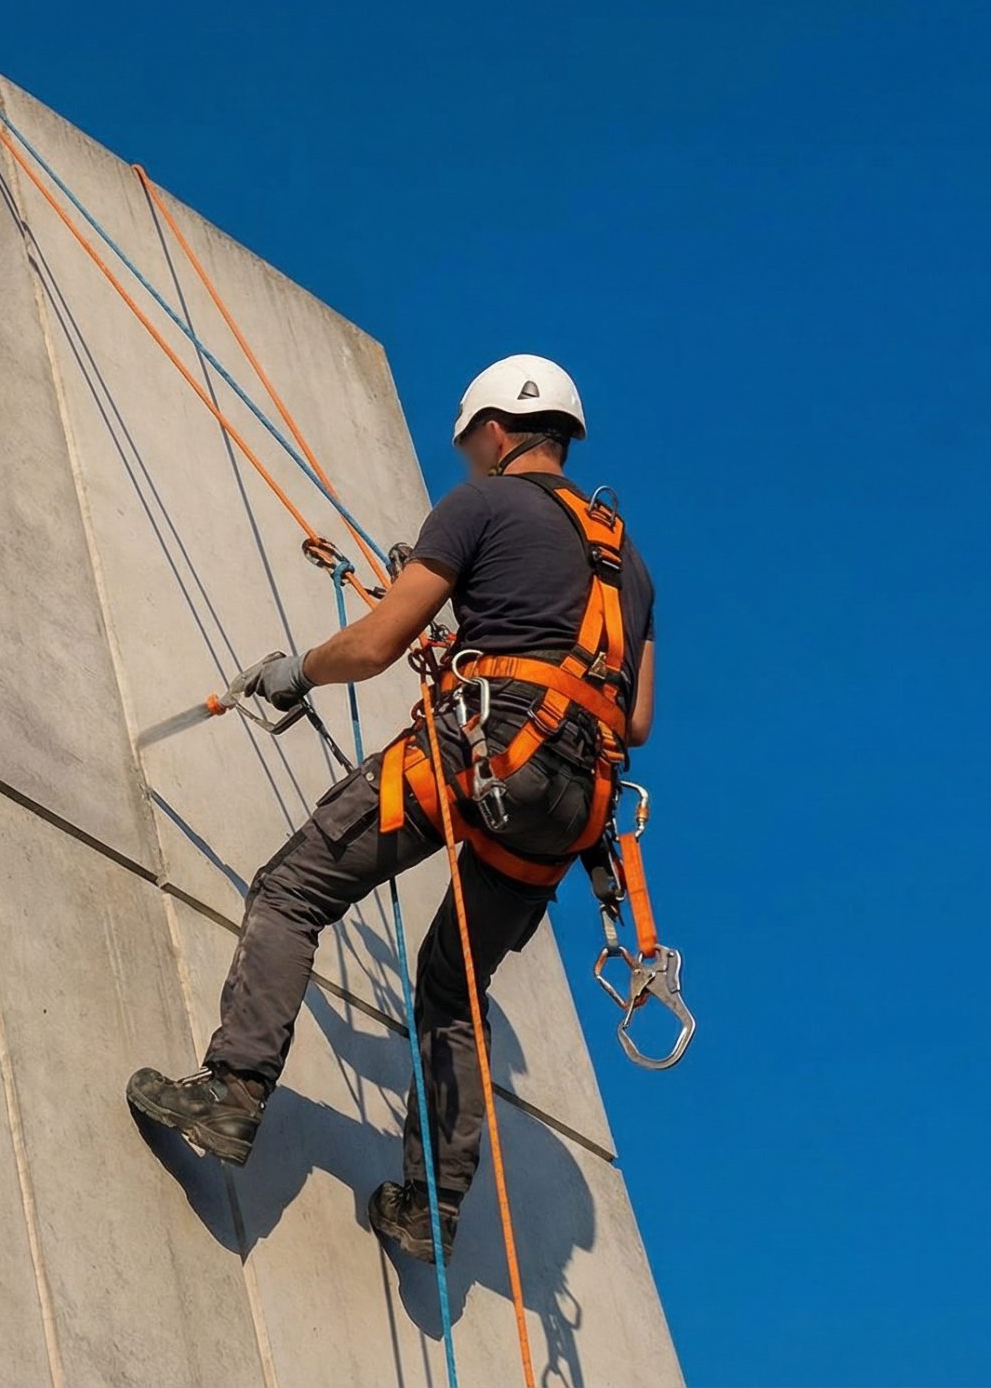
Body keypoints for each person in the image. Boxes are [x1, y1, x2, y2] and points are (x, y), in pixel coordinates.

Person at [126, 354, 656, 1265]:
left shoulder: (482, 504)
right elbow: (634, 720)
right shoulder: (627, 562)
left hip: (480, 749)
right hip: (572, 803)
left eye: (471, 443)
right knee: (453, 988)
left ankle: (232, 1092)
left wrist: (296, 671)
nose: (469, 458)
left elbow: (376, 644)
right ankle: (430, 1207)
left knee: (293, 888)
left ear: (496, 431)